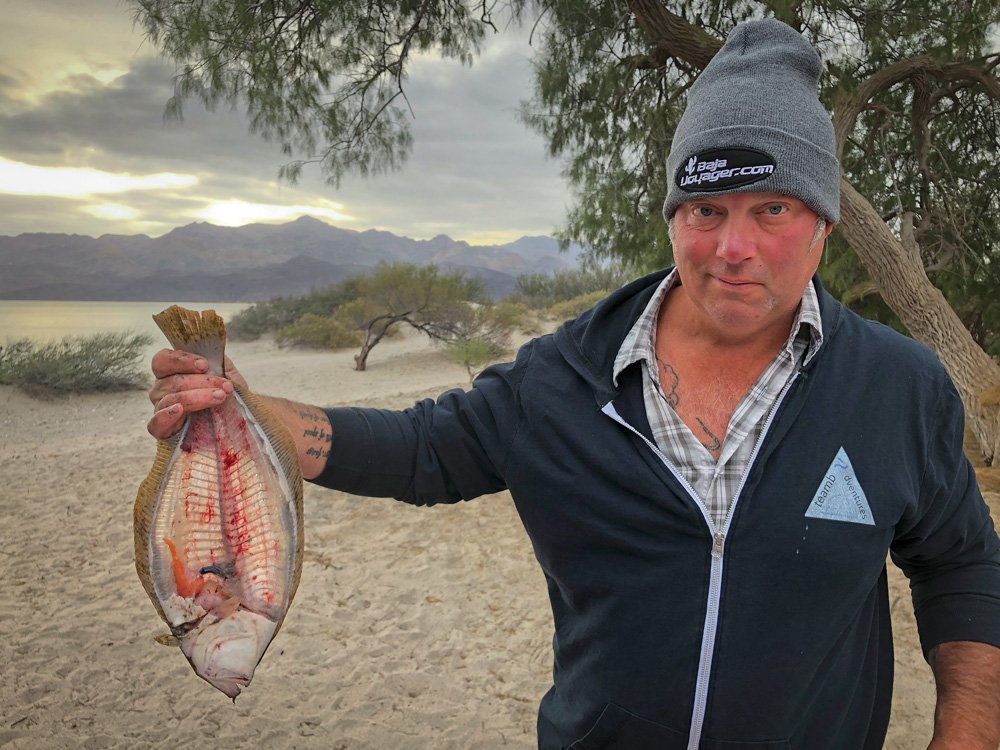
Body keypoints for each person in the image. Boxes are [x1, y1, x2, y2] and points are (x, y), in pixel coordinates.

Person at [147, 19, 1000, 750]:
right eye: (707, 210)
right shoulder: (562, 380)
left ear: (821, 225)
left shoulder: (898, 387)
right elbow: (420, 451)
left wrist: (968, 732)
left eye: (771, 209)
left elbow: (960, 564)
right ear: (674, 218)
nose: (732, 246)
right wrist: (238, 406)